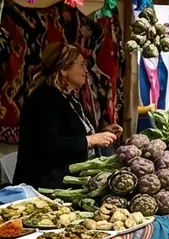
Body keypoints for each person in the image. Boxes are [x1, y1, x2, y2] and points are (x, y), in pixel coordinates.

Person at [16, 44, 121, 189]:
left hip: (67, 182)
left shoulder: (68, 98)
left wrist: (102, 133)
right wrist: (90, 140)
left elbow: (70, 133)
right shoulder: (43, 100)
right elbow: (47, 144)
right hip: (45, 186)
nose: (86, 71)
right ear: (64, 70)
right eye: (81, 65)